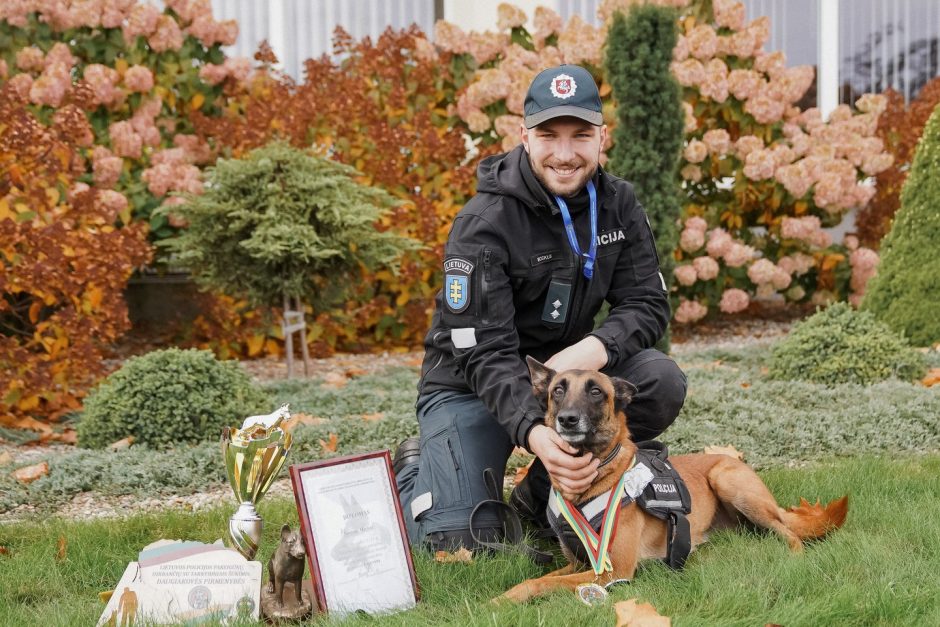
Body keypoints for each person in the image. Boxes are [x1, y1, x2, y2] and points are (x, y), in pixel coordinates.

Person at [394, 64, 687, 551]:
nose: (566, 154)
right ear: (524, 136)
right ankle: (414, 471)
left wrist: (590, 353)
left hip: (567, 381)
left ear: (601, 138)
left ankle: (538, 494)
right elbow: (481, 352)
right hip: (473, 385)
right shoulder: (482, 223)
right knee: (460, 543)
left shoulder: (620, 205)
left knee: (659, 380)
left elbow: (648, 303)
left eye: (581, 135)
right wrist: (534, 432)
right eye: (549, 135)